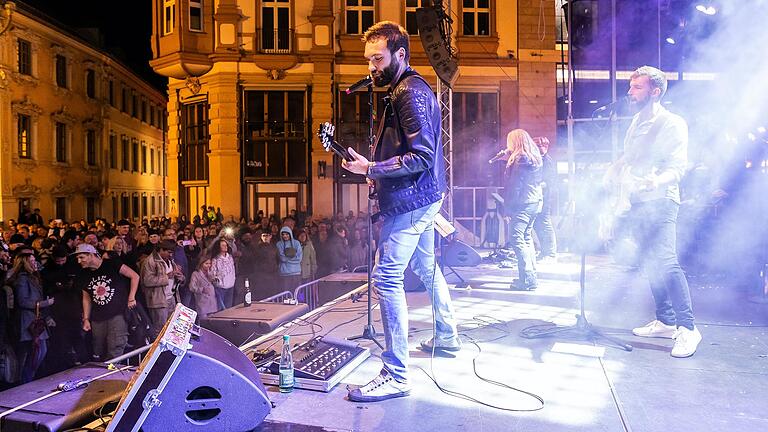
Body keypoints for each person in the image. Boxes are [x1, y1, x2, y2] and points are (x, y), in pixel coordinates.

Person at [341, 21, 460, 402]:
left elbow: (422, 155)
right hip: (423, 197)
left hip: (413, 201)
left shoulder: (409, 92)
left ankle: (396, 374)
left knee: (387, 276)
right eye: (368, 59)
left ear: (400, 55)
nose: (371, 67)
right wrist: (374, 168)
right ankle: (447, 336)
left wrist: (372, 169)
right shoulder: (402, 89)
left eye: (378, 58)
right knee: (426, 268)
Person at [604, 65, 700, 358]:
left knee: (666, 261)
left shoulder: (672, 124)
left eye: (637, 88)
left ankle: (688, 328)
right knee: (649, 262)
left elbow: (678, 167)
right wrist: (615, 168)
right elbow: (631, 157)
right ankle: (666, 320)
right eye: (631, 87)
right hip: (638, 201)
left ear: (655, 91)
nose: (630, 92)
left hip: (662, 199)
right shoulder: (636, 122)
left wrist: (655, 181)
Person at [75, 243, 139, 361]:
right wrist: (86, 319)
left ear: (91, 255)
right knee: (98, 350)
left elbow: (134, 276)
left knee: (115, 349)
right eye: (78, 258)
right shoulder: (83, 274)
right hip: (97, 317)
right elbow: (86, 298)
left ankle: (113, 375)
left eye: (82, 257)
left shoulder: (112, 264)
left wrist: (131, 297)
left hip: (117, 314)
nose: (79, 261)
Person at [501, 129, 543, 290]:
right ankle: (530, 277)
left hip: (522, 203)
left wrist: (509, 208)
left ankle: (527, 279)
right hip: (534, 201)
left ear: (515, 141)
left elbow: (515, 186)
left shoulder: (519, 159)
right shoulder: (533, 157)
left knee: (517, 239)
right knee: (526, 238)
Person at [8, 247, 53, 383]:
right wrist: (46, 303)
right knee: (35, 353)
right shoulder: (22, 279)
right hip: (28, 321)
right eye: (32, 261)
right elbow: (23, 301)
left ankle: (27, 380)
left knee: (38, 352)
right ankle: (25, 381)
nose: (35, 263)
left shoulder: (32, 277)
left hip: (34, 319)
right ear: (25, 263)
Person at [532, 136, 558, 261]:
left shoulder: (547, 161)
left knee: (545, 223)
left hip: (544, 197)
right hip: (537, 196)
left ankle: (551, 253)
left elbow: (550, 181)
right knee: (538, 224)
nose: (541, 149)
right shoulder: (537, 160)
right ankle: (545, 251)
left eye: (543, 146)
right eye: (538, 146)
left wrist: (536, 185)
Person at [276, 227, 302, 294]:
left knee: (297, 294)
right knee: (285, 295)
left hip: (296, 273)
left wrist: (287, 259)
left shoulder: (297, 243)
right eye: (283, 234)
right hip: (284, 274)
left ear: (290, 234)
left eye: (287, 234)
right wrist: (293, 259)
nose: (285, 236)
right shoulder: (279, 244)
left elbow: (299, 258)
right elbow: (282, 258)